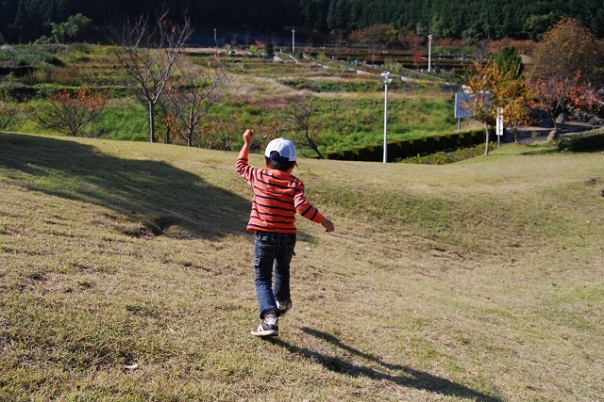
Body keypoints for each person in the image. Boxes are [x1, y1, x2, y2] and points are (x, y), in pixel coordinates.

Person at [236, 129, 335, 337]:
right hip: (287, 238)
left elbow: (241, 166)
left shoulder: (258, 175)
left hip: (264, 237)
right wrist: (323, 220)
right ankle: (282, 301)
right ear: (292, 165)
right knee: (282, 269)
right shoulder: (294, 184)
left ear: (266, 162)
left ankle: (270, 320)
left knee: (262, 278)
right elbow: (302, 208)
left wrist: (247, 143)